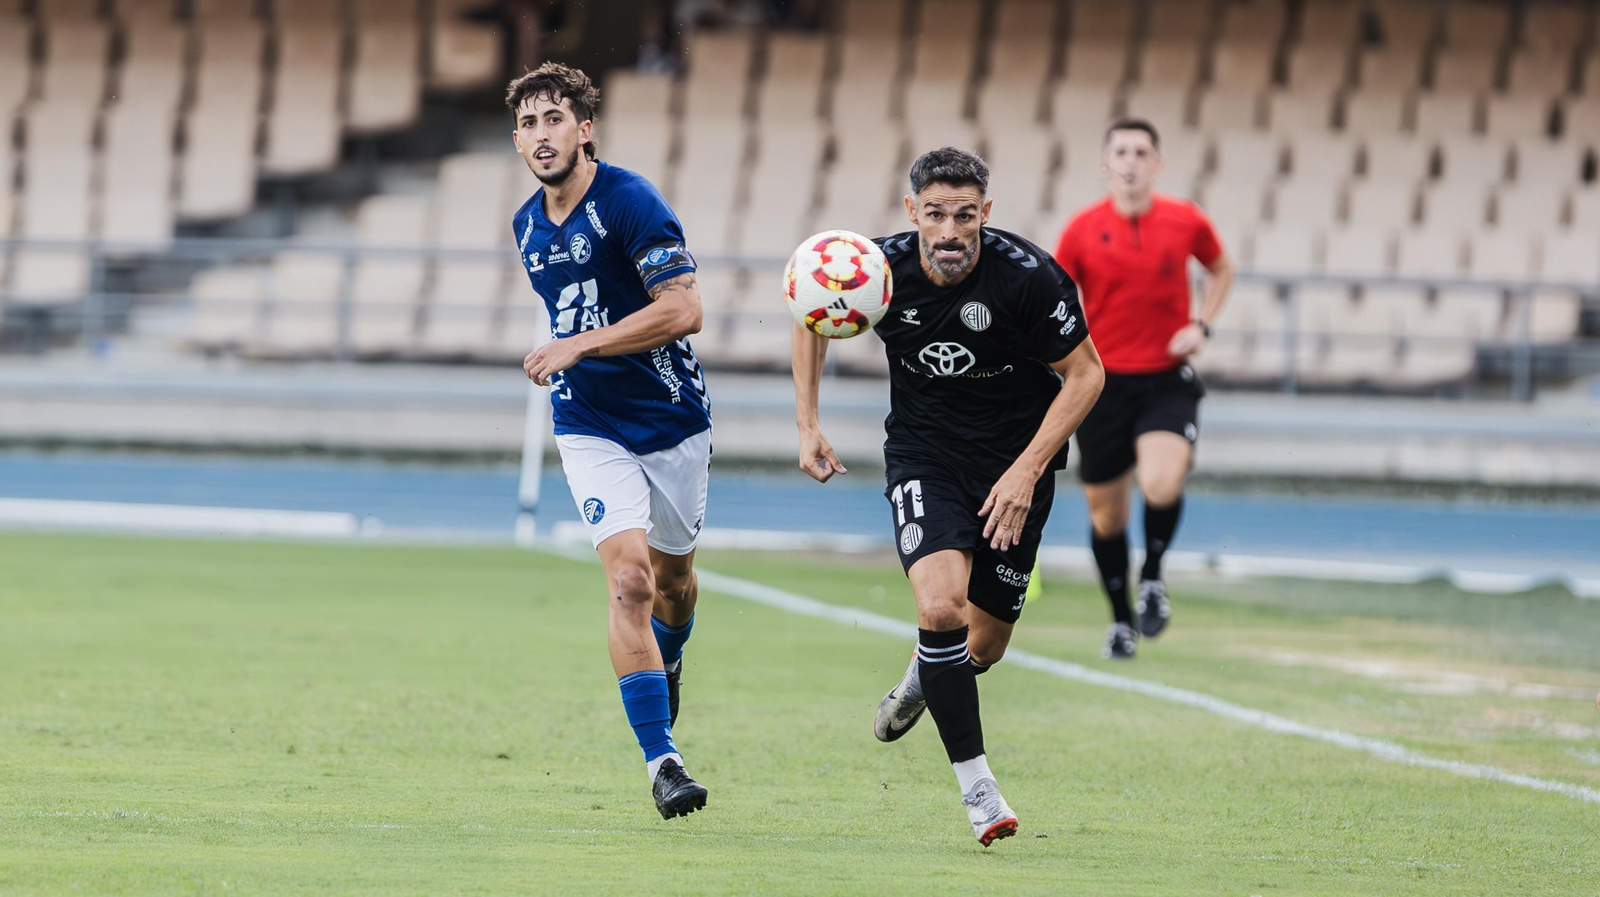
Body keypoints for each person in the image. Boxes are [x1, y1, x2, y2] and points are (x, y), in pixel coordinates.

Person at [793, 148, 1105, 845]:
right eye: (935, 214)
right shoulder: (875, 269)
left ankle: (920, 676)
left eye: (965, 216)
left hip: (1013, 469)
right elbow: (810, 312)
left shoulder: (1030, 279)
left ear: (985, 215)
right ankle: (979, 790)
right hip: (925, 457)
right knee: (940, 606)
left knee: (982, 643)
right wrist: (808, 422)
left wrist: (1026, 472)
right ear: (913, 213)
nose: (950, 230)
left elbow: (1087, 377)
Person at [511, 63, 712, 819]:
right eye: (528, 124)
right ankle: (663, 761)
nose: (541, 135)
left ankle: (673, 652)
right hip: (588, 423)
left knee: (674, 584)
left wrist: (580, 344)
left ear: (584, 128)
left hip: (671, 419)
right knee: (628, 582)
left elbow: (685, 309)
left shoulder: (630, 201)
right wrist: (576, 360)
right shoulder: (526, 225)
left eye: (554, 119)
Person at [1053, 119, 1234, 660]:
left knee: (1160, 482)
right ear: (1106, 163)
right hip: (1101, 384)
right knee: (1107, 517)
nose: (1131, 161)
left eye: (1141, 151)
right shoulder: (1082, 230)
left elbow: (1221, 269)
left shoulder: (1185, 220)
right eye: (1121, 151)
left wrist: (1202, 324)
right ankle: (1120, 622)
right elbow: (1056, 300)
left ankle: (1152, 575)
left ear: (1157, 162)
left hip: (1165, 379)